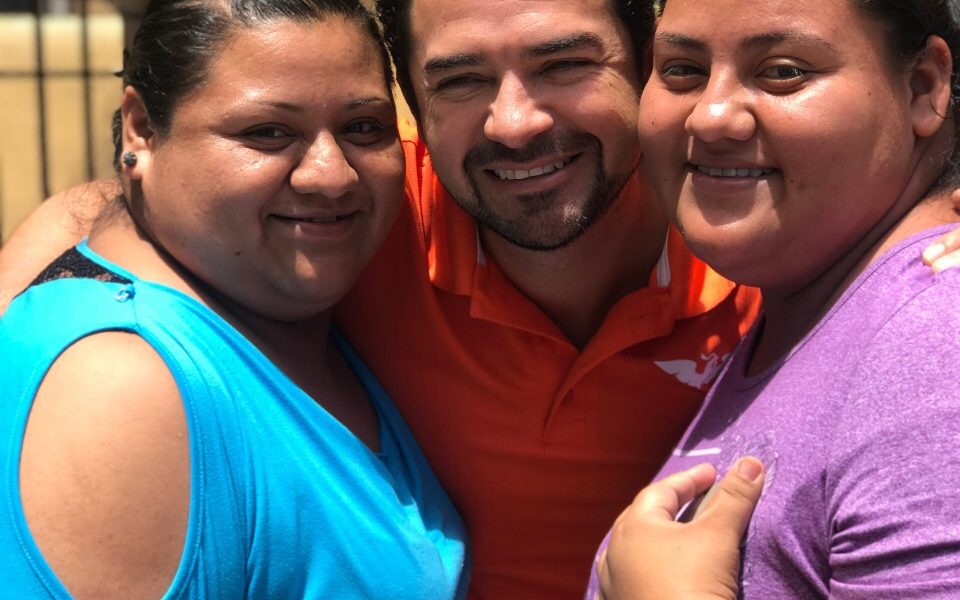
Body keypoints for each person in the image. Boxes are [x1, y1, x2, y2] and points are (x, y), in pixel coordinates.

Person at [0, 1, 761, 596]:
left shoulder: (757, 248)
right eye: (459, 80)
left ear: (649, 61)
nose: (515, 123)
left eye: (564, 64)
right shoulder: (350, 231)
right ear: (418, 104)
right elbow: (140, 210)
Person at [0, 0, 469, 597]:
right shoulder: (121, 387)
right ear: (142, 129)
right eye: (267, 132)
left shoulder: (275, 310)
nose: (332, 176)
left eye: (363, 127)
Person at [589, 0, 960, 597]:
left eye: (783, 71)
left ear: (923, 87)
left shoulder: (936, 350)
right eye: (682, 69)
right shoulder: (809, 304)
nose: (711, 116)